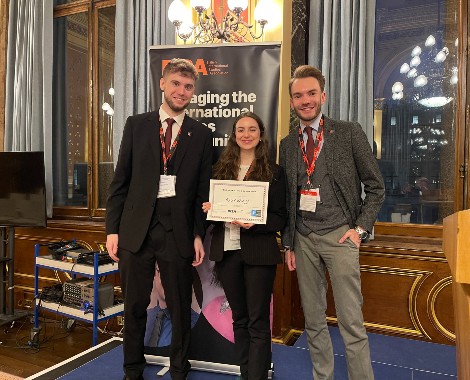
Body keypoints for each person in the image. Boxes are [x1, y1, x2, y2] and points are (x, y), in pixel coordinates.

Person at [105, 58, 213, 380]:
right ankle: (132, 371)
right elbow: (120, 182)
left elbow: (201, 192)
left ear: (193, 92)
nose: (182, 91)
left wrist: (197, 234)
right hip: (135, 233)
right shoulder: (136, 125)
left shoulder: (201, 134)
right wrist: (113, 230)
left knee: (180, 309)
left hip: (177, 234)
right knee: (135, 307)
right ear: (163, 84)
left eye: (188, 87)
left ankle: (180, 370)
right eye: (176, 84)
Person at [279, 65, 385, 380]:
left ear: (323, 95)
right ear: (291, 102)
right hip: (304, 239)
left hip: (341, 236)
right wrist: (289, 242)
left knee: (351, 322)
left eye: (311, 93)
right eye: (298, 95)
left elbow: (376, 188)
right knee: (313, 320)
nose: (305, 100)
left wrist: (360, 229)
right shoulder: (287, 144)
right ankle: (322, 376)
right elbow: (287, 198)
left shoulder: (349, 132)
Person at [202, 112, 287, 380]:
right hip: (226, 252)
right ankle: (247, 373)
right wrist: (209, 209)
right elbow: (208, 210)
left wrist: (255, 223)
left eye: (252, 129)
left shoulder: (274, 172)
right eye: (241, 130)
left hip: (259, 253)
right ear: (234, 135)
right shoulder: (219, 170)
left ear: (261, 134)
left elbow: (280, 217)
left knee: (258, 321)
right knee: (239, 319)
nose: (246, 134)